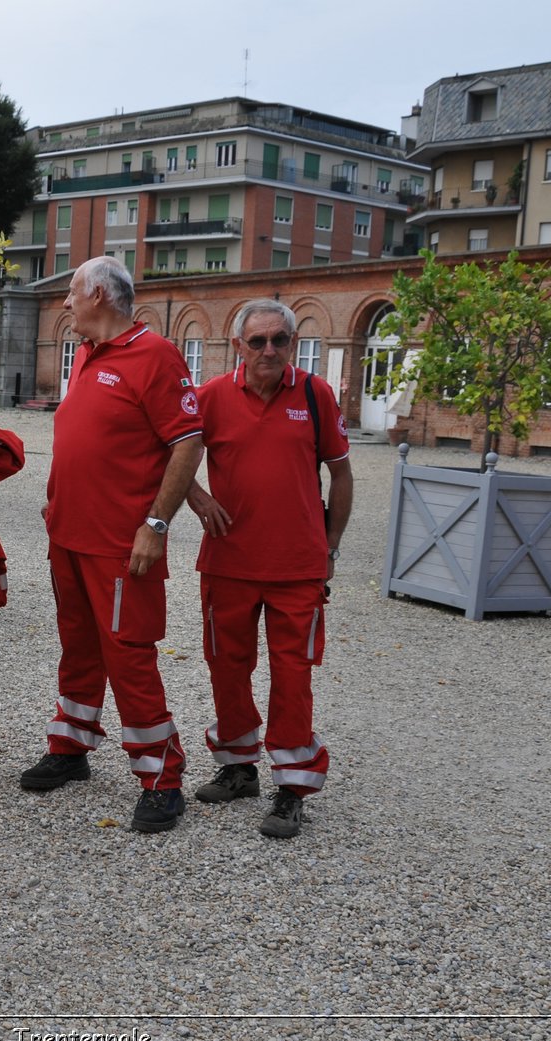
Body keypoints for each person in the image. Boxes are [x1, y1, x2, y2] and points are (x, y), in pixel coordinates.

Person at [18, 256, 203, 834]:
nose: (66, 303)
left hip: (122, 545)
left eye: (72, 293)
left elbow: (188, 441)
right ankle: (72, 745)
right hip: (69, 537)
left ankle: (161, 775)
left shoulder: (155, 356)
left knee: (128, 653)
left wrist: (156, 524)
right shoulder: (89, 355)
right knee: (79, 646)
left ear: (99, 294)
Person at [183, 298, 352, 839]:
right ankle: (238, 768)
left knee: (292, 675)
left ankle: (292, 787)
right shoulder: (209, 397)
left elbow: (342, 476)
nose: (270, 350)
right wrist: (197, 498)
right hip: (228, 563)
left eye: (280, 339)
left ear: (294, 342)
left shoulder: (314, 393)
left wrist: (329, 549)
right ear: (238, 346)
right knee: (226, 666)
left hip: (296, 568)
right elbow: (167, 458)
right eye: (258, 341)